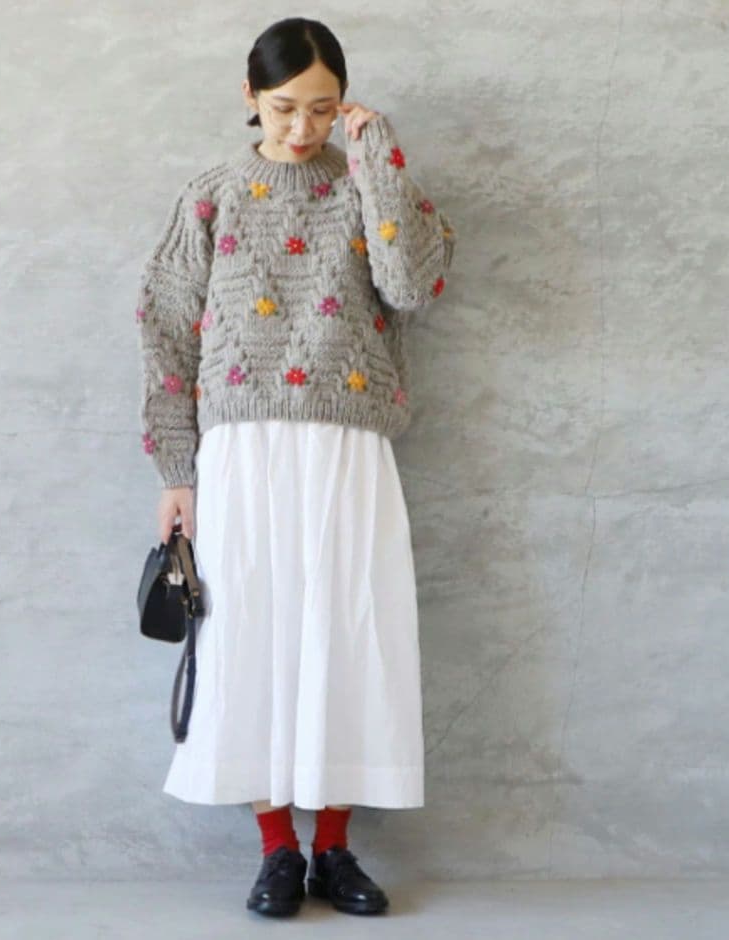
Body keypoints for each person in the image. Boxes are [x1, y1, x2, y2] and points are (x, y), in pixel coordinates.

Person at [134, 15, 456, 919]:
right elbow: (164, 331)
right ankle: (277, 850)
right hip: (240, 450)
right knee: (250, 639)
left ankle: (335, 851)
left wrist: (376, 154)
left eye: (323, 108)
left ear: (345, 103)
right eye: (284, 107)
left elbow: (413, 283)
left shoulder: (365, 182)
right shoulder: (211, 194)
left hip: (349, 443)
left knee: (350, 635)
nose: (303, 127)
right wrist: (175, 470)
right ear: (250, 96)